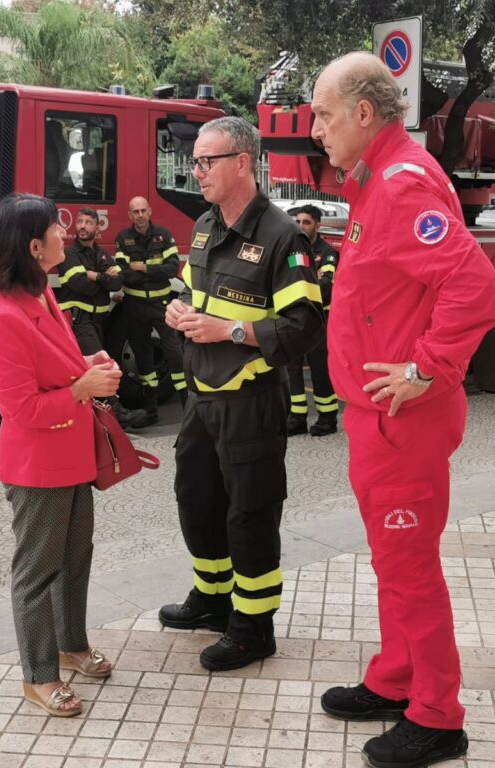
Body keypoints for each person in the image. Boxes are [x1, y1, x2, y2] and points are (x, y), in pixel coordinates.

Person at [308, 53, 495, 768]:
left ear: (364, 113)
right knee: (395, 560)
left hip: (402, 419)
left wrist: (428, 366)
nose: (317, 129)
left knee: (409, 564)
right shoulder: (381, 180)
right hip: (380, 416)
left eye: (325, 115)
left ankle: (438, 714)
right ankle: (398, 675)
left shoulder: (398, 185)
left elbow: (475, 288)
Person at [157, 116, 324, 671]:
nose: (196, 171)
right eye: (196, 161)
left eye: (207, 161)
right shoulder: (205, 224)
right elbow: (188, 287)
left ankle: (253, 629)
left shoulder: (282, 235)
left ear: (243, 162)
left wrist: (230, 331)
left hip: (252, 399)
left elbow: (303, 327)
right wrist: (178, 309)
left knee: (249, 513)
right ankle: (212, 598)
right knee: (196, 498)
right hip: (204, 395)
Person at [0, 194, 121, 717]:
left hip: (71, 453)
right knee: (37, 572)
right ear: (35, 247)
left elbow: (55, 365)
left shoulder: (43, 295)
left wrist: (88, 363)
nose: (66, 233)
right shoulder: (1, 317)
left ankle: (72, 645)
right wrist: (84, 387)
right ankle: (39, 676)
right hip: (38, 465)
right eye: (56, 229)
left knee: (75, 559)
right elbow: (21, 409)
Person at [58, 207, 145, 429]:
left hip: (98, 321)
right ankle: (117, 413)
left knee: (92, 367)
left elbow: (118, 282)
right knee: (101, 364)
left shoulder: (103, 254)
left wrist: (93, 275)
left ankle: (97, 415)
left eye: (88, 222)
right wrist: (102, 276)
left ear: (97, 228)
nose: (82, 226)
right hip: (80, 321)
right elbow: (78, 284)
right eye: (80, 222)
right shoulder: (70, 254)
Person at [115, 196, 186, 426]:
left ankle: (188, 410)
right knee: (144, 360)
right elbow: (125, 274)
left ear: (150, 211)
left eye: (143, 210)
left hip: (161, 306)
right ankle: (150, 411)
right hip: (135, 308)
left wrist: (143, 267)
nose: (140, 215)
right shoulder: (123, 239)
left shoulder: (164, 235)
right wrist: (153, 271)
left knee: (174, 353)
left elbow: (172, 268)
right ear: (129, 215)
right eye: (135, 211)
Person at [286, 204, 340, 436]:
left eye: (306, 222)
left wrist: (299, 288)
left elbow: (326, 285)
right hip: (295, 318)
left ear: (317, 225)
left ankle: (327, 419)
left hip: (319, 320)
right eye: (297, 222)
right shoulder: (293, 251)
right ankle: (297, 417)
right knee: (292, 368)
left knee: (320, 370)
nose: (300, 226)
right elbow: (285, 279)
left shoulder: (327, 252)